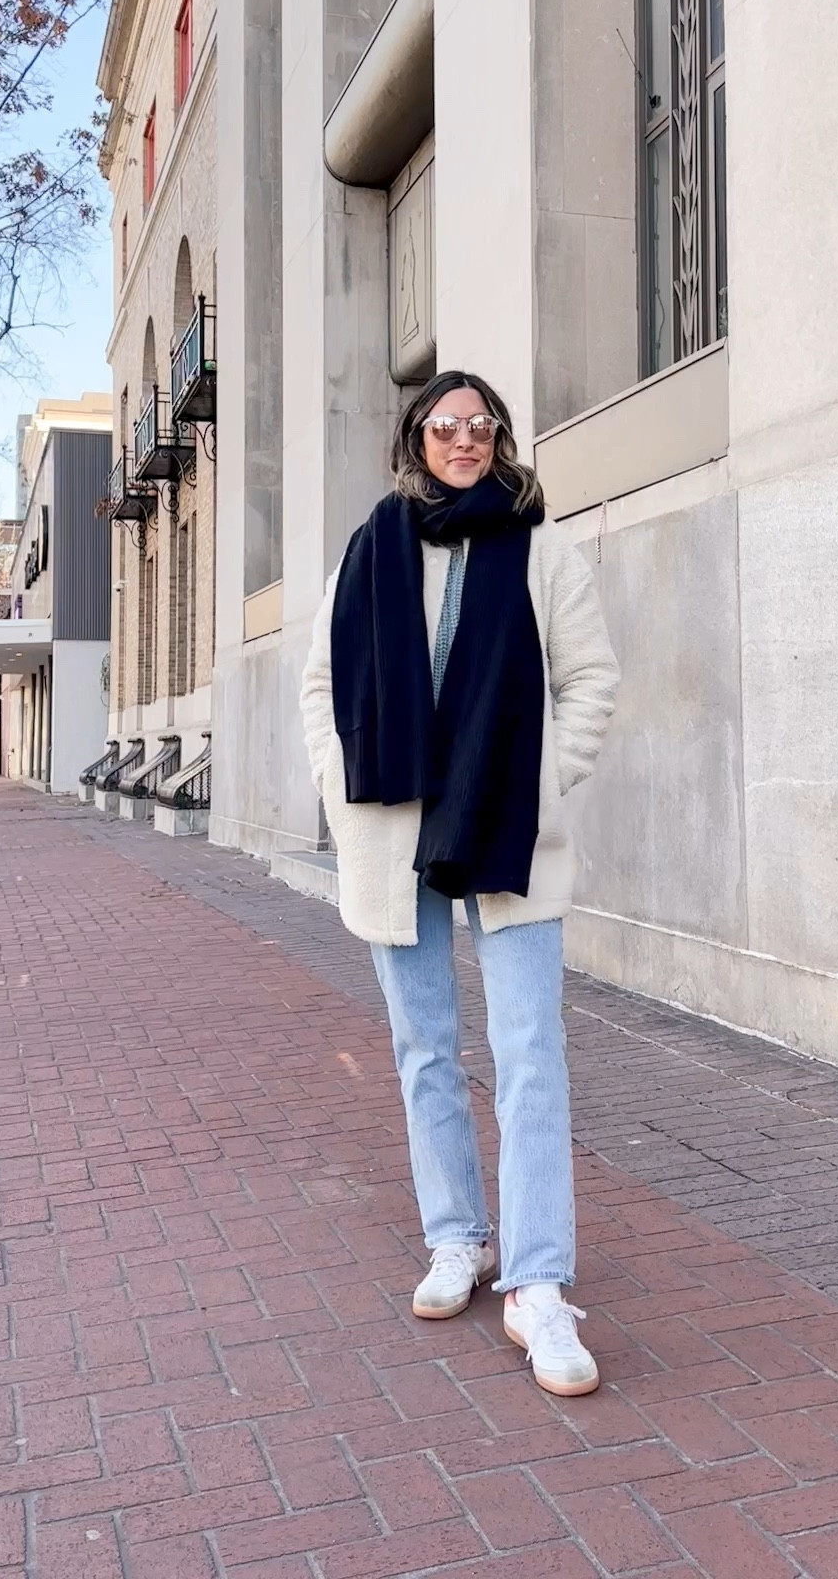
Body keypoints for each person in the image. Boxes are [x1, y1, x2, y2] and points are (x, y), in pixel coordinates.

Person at [300, 371, 618, 1396]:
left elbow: (591, 680)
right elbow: (321, 685)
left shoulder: (541, 547)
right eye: (446, 426)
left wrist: (544, 782)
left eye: (480, 425)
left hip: (505, 829)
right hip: (396, 831)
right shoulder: (373, 546)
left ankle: (538, 1283)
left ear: (500, 439)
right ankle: (459, 1238)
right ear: (417, 438)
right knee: (424, 1048)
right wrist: (339, 785)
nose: (464, 439)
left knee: (531, 1053)